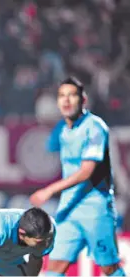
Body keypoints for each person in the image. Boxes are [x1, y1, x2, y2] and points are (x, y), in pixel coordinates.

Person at [30, 77, 126, 276]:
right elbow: (47, 145)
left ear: (83, 100)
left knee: (109, 268)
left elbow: (86, 172)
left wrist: (49, 190)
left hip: (95, 210)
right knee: (54, 267)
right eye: (62, 96)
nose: (66, 100)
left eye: (72, 96)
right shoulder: (63, 130)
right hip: (69, 210)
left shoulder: (95, 127)